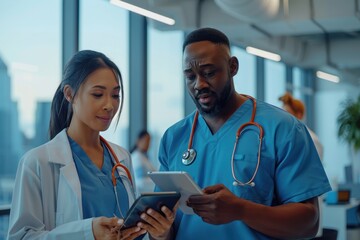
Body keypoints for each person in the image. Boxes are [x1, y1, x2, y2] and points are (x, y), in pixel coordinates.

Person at [155, 28, 331, 239]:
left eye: (209, 73)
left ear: (233, 67)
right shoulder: (174, 137)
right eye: (190, 76)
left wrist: (241, 210)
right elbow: (165, 226)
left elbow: (308, 223)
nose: (199, 84)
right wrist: (160, 231)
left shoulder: (283, 129)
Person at [7, 50, 175, 240]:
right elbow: (21, 237)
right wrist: (88, 232)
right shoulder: (37, 162)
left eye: (115, 95)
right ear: (69, 94)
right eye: (98, 94)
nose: (109, 105)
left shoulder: (121, 157)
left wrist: (158, 233)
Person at [279, 92, 324, 160]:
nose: (283, 117)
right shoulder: (283, 136)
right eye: (282, 113)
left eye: (287, 113)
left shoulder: (311, 139)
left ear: (299, 114)